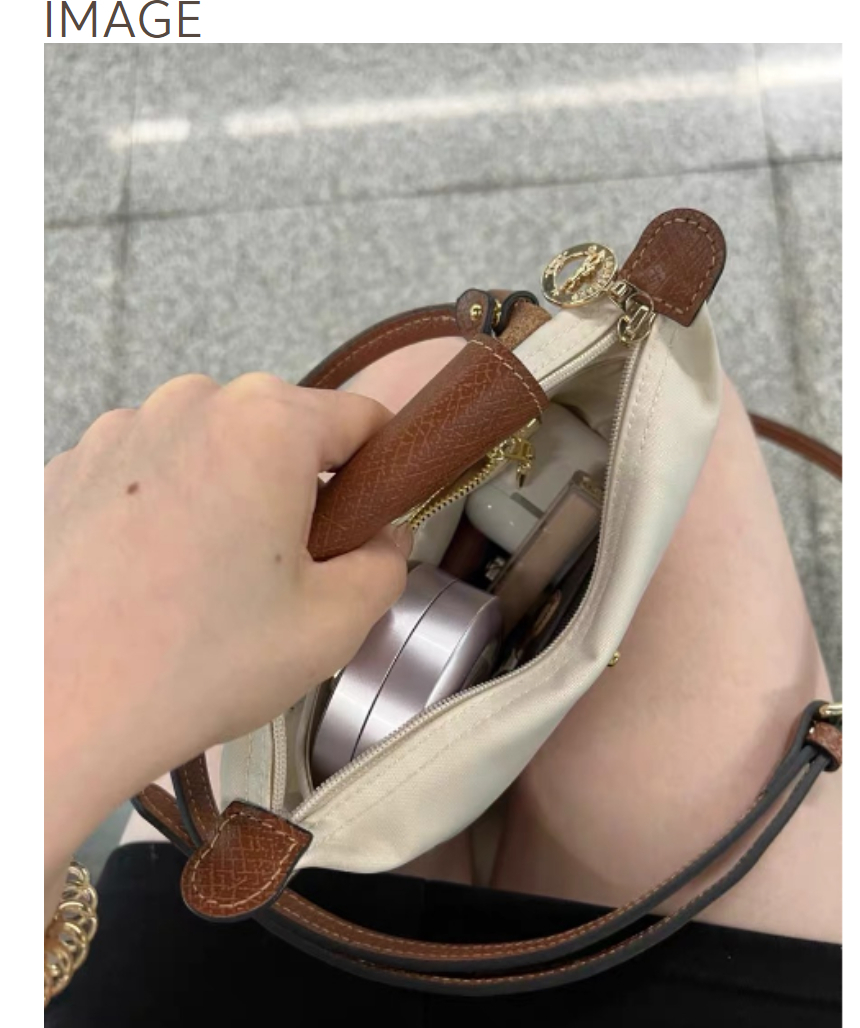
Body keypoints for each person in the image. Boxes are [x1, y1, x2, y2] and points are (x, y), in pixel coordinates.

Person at [44, 340, 841, 1026]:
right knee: (659, 413)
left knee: (432, 381)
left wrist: (65, 691)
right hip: (693, 976)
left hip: (218, 962)